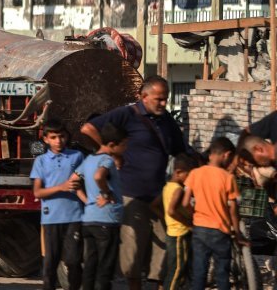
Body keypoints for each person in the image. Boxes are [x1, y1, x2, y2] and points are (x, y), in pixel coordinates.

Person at [80, 75, 187, 290]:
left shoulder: (166, 120)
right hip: (131, 194)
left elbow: (180, 149)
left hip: (158, 196)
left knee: (163, 248)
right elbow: (88, 128)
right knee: (133, 251)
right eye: (159, 99)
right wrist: (110, 153)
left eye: (165, 99)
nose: (164, 103)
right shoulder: (126, 114)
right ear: (143, 96)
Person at [182, 137, 246, 290]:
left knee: (199, 272)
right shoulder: (228, 178)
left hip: (199, 229)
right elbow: (232, 208)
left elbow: (184, 203)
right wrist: (237, 233)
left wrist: (194, 215)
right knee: (222, 273)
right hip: (220, 231)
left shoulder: (195, 174)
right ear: (226, 155)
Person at [30, 119, 85, 290]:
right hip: (51, 217)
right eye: (53, 137)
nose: (58, 141)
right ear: (45, 139)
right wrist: (61, 187)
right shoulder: (40, 161)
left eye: (61, 136)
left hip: (74, 216)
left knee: (74, 261)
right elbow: (37, 192)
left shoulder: (77, 156)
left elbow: (84, 183)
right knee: (50, 264)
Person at [74, 122, 128, 290]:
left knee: (90, 266)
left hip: (89, 220)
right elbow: (99, 176)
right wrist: (107, 193)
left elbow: (73, 182)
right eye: (124, 145)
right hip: (107, 220)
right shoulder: (107, 160)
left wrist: (88, 201)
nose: (126, 149)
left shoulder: (89, 159)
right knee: (105, 269)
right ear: (112, 145)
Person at [162, 153, 198, 290]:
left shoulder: (167, 187)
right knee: (177, 270)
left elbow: (155, 206)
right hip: (179, 234)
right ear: (178, 172)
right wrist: (188, 223)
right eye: (188, 176)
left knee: (177, 268)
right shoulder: (178, 190)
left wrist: (166, 220)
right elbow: (171, 210)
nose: (190, 181)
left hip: (172, 232)